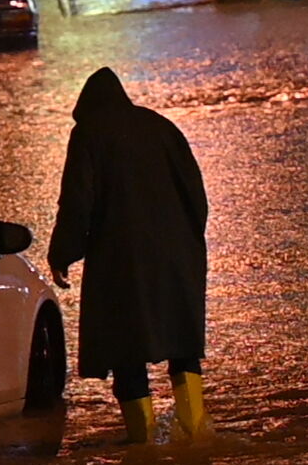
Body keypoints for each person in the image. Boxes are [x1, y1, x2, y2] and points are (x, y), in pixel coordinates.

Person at [48, 68, 210, 443]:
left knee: (126, 349)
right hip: (177, 257)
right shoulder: (162, 127)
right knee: (182, 343)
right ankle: (195, 430)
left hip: (120, 262)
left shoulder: (88, 133)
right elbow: (197, 196)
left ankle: (144, 441)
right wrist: (187, 245)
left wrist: (63, 254)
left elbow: (76, 202)